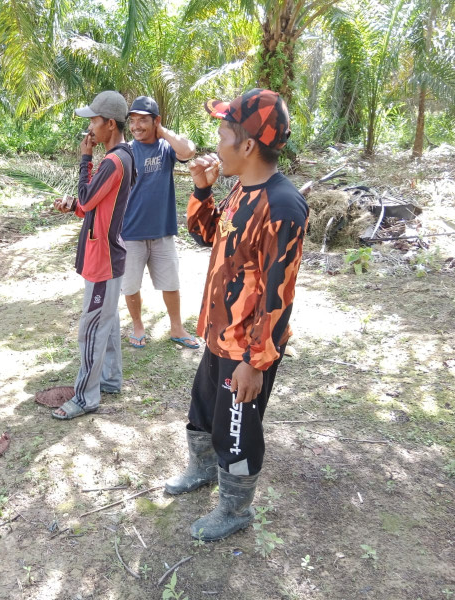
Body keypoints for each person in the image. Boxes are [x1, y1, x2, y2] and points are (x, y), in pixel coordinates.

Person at [164, 89, 308, 540]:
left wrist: (255, 362)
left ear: (247, 146)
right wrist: (202, 190)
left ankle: (235, 508)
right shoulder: (241, 190)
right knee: (203, 410)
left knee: (237, 427)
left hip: (247, 348)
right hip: (218, 335)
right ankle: (203, 470)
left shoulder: (281, 207)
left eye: (224, 132)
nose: (217, 142)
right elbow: (207, 235)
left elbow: (278, 296)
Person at [47, 91, 136, 420]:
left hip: (104, 258)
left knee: (93, 327)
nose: (90, 129)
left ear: (110, 124)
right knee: (107, 322)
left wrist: (85, 159)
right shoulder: (121, 157)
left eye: (94, 122)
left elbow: (87, 193)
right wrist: (74, 205)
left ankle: (85, 396)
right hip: (107, 253)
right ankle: (110, 379)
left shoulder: (114, 161)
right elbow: (91, 204)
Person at [122, 96, 199, 349]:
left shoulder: (166, 149)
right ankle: (138, 326)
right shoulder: (128, 151)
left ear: (156, 121)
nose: (136, 127)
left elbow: (188, 150)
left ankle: (176, 328)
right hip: (130, 232)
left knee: (171, 284)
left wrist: (162, 131)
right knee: (130, 285)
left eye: (143, 120)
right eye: (132, 121)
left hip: (162, 232)